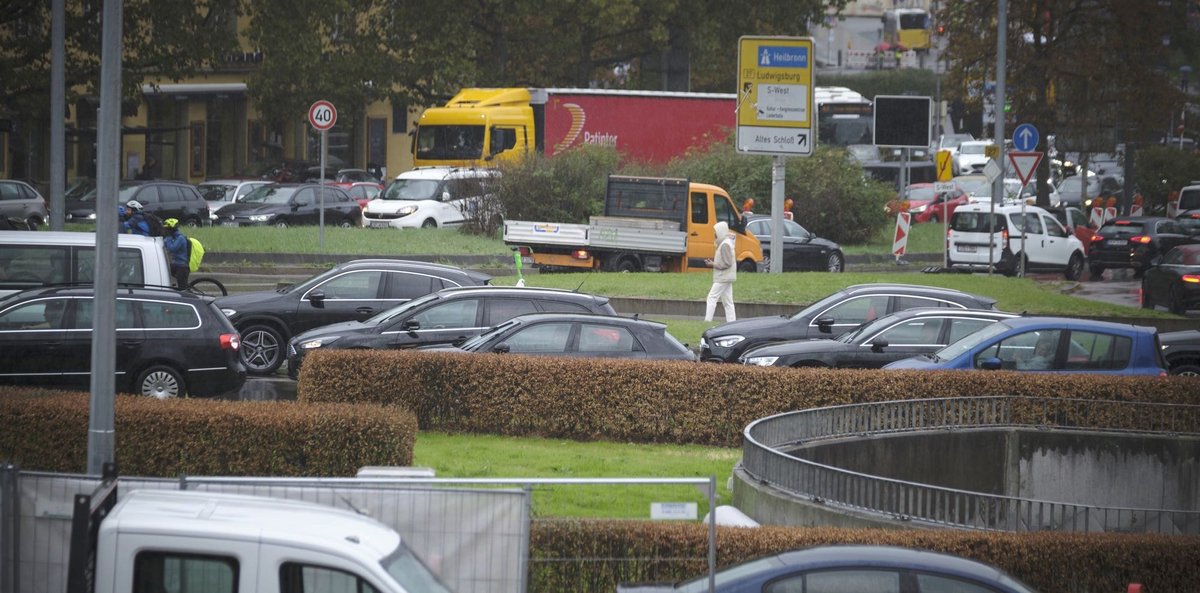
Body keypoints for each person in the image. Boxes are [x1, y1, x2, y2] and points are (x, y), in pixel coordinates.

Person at [703, 220, 737, 322]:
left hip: (723, 277)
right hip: (727, 277)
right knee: (728, 302)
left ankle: (707, 321)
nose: (714, 233)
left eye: (716, 231)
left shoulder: (724, 244)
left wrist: (713, 264)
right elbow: (727, 262)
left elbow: (727, 263)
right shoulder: (725, 243)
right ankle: (732, 322)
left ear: (720, 232)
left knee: (712, 297)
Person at [163, 218, 190, 289]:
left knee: (182, 288)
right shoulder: (173, 237)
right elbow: (164, 243)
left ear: (172, 229)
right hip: (176, 265)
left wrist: (168, 236)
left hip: (182, 266)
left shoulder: (180, 238)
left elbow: (171, 248)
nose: (166, 231)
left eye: (167, 229)